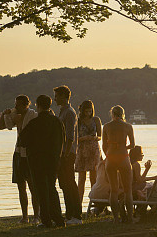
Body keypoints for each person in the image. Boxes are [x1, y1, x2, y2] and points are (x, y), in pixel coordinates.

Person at [17, 95, 65, 228]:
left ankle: (46, 220)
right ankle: (58, 218)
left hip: (37, 160)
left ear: (38, 105)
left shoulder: (34, 123)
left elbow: (22, 141)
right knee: (51, 188)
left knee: (41, 190)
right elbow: (62, 140)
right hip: (53, 160)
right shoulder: (57, 122)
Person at [0, 95, 39, 224]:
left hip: (30, 154)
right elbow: (1, 127)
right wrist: (5, 115)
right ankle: (25, 216)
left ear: (26, 104)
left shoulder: (33, 115)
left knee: (33, 186)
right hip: (18, 153)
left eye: (18, 105)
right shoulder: (16, 116)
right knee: (21, 186)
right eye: (15, 104)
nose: (15, 107)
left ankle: (37, 216)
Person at [54, 85, 83, 224]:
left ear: (64, 96)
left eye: (57, 96)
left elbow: (70, 136)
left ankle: (77, 215)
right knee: (64, 184)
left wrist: (65, 154)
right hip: (63, 153)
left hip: (68, 153)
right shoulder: (62, 111)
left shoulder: (69, 113)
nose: (55, 99)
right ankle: (69, 214)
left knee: (70, 183)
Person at [101, 105, 135, 223]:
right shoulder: (128, 126)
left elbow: (104, 146)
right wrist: (122, 147)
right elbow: (132, 145)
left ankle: (116, 218)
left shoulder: (106, 126)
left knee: (114, 190)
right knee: (127, 190)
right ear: (123, 114)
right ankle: (130, 218)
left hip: (110, 157)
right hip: (123, 157)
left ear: (112, 114)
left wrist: (109, 153)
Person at [75, 99, 103, 207]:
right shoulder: (78, 121)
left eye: (90, 111)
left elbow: (100, 136)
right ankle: (78, 205)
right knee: (81, 179)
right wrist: (84, 138)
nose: (88, 113)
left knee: (94, 178)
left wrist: (95, 137)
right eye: (86, 111)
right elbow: (75, 138)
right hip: (82, 150)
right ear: (82, 111)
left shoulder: (96, 120)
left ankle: (95, 205)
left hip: (94, 149)